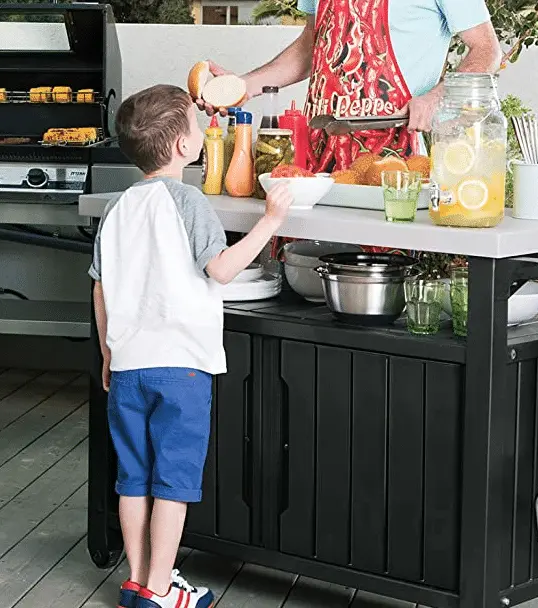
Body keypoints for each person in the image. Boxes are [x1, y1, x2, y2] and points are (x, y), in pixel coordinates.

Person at [88, 84, 293, 608]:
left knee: (132, 479)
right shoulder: (188, 201)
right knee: (173, 482)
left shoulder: (116, 208)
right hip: (180, 370)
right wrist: (271, 221)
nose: (203, 134)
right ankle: (159, 590)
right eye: (198, 128)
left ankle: (137, 581)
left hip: (128, 368)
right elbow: (221, 269)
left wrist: (110, 353)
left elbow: (100, 286)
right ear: (182, 146)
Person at [196, 0, 501, 173]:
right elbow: (310, 48)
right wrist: (245, 86)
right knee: (307, 263)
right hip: (317, 156)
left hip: (393, 160)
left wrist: (438, 97)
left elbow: (487, 49)